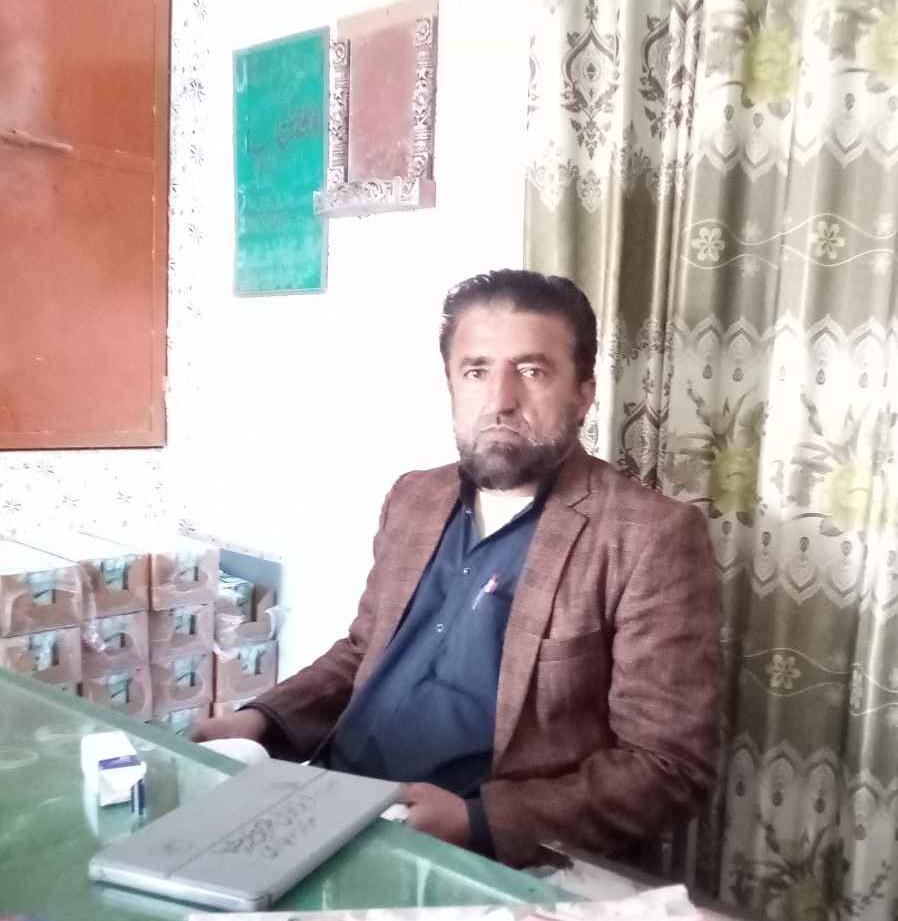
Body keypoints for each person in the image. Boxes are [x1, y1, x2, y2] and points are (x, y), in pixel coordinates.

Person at [193, 270, 719, 868]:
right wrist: (262, 720)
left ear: (583, 394)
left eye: (532, 371)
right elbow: (364, 652)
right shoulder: (414, 497)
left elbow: (668, 768)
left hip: (478, 857)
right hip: (328, 802)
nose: (500, 400)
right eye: (476, 371)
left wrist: (478, 822)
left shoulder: (649, 535)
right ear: (451, 384)